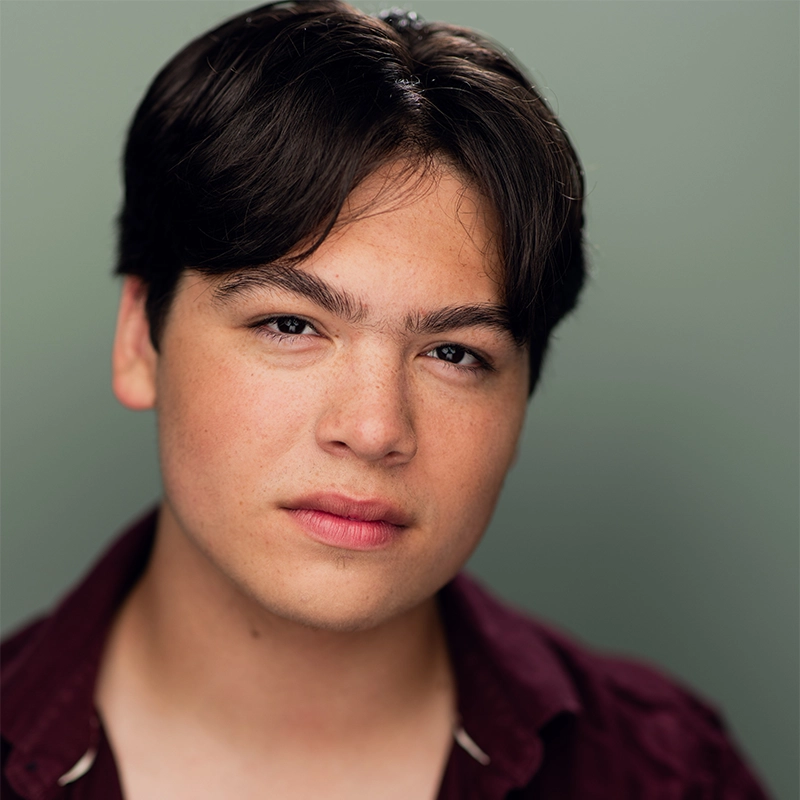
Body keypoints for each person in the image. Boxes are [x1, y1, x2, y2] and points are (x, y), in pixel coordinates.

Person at [0, 2, 770, 798]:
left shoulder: (666, 774)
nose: (373, 429)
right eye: (290, 324)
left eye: (453, 353)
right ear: (139, 338)